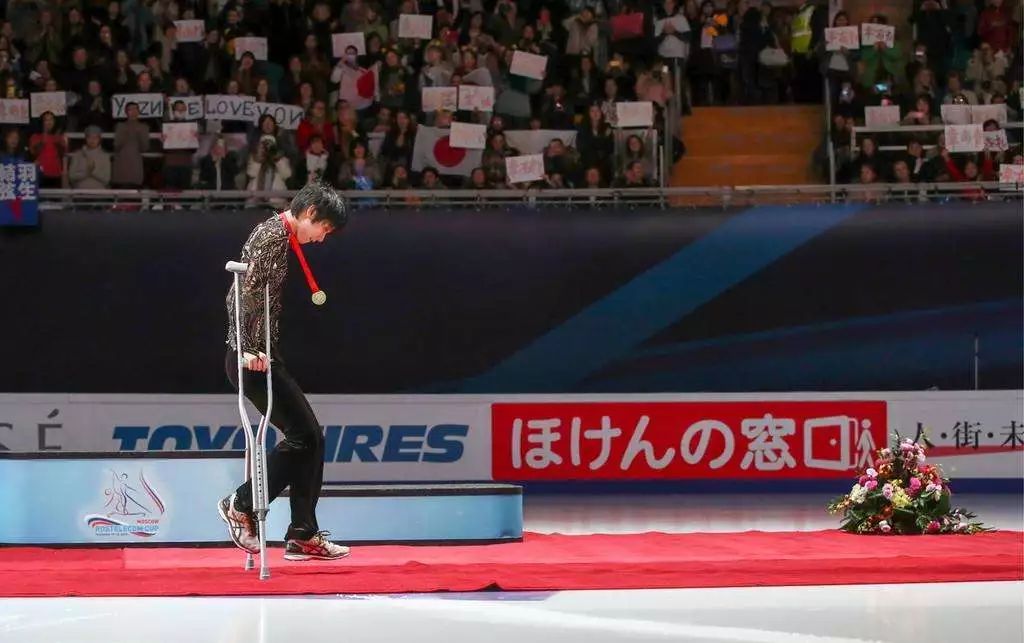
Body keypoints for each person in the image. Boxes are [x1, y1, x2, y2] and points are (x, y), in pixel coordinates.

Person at [219, 182, 351, 562]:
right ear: (310, 213)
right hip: (251, 358)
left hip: (262, 353)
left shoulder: (279, 235)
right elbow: (240, 295)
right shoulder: (271, 236)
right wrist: (249, 348)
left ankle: (303, 534)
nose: (322, 238)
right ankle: (240, 504)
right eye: (324, 229)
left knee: (310, 438)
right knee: (305, 436)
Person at [67, 125, 111, 189]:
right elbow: (71, 176)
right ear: (86, 138)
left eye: (95, 138)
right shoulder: (77, 155)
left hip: (99, 192)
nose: (92, 140)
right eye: (89, 137)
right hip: (80, 192)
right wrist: (86, 173)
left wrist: (93, 172)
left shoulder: (105, 156)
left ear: (99, 139)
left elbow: (106, 180)